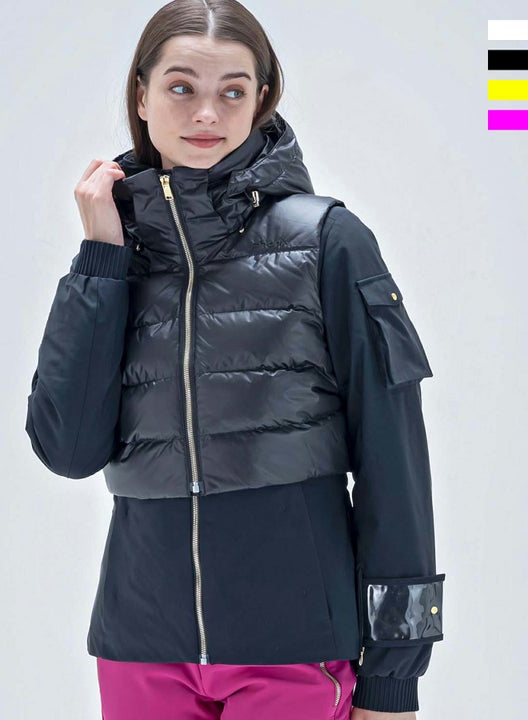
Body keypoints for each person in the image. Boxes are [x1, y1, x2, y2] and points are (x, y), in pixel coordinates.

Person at [24, 1, 446, 718]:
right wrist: (99, 261)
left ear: (261, 99)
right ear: (141, 95)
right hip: (139, 647)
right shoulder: (118, 258)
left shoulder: (328, 243)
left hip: (293, 645)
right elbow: (67, 450)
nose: (206, 114)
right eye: (181, 87)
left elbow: (393, 462)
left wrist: (393, 677)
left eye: (232, 91)